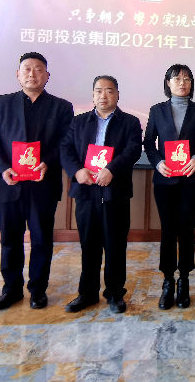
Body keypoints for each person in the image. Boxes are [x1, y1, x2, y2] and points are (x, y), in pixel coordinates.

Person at [0, 52, 74, 310]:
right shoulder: (1, 103)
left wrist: (48, 161)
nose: (32, 74)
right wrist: (2, 168)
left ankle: (38, 290)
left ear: (47, 75)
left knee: (42, 239)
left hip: (43, 184)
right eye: (27, 69)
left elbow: (66, 142)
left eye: (38, 69)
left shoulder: (61, 107)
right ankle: (11, 290)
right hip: (8, 183)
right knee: (9, 240)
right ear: (18, 74)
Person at [60, 75, 142, 313]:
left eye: (109, 90)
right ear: (93, 95)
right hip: (86, 192)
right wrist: (77, 171)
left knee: (115, 246)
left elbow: (133, 149)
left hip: (115, 193)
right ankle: (87, 294)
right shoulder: (78, 121)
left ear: (117, 94)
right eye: (98, 91)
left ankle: (115, 293)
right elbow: (65, 148)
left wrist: (112, 170)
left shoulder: (130, 122)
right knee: (89, 245)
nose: (103, 95)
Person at [143, 64, 195, 309]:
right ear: (168, 83)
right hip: (165, 181)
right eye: (176, 78)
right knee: (167, 230)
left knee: (186, 230)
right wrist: (157, 162)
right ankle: (167, 281)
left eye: (187, 79)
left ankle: (184, 279)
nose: (182, 83)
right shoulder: (157, 110)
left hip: (191, 181)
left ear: (191, 83)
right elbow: (148, 143)